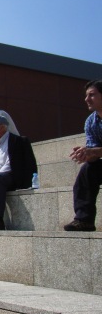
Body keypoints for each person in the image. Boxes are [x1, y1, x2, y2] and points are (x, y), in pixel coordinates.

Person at [65, 80, 102, 232]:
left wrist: (97, 151)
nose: (86, 99)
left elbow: (98, 151)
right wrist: (86, 154)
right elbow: (94, 153)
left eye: (92, 95)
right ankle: (84, 220)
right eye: (86, 95)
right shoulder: (91, 122)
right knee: (88, 169)